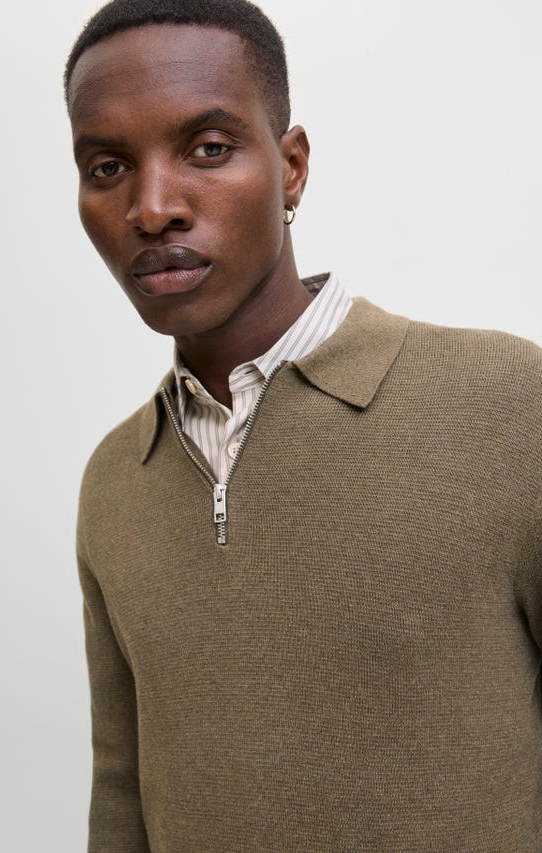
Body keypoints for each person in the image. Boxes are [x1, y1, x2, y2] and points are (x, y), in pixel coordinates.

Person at [64, 1, 542, 850]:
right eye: (108, 166)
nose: (153, 207)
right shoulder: (114, 479)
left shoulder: (507, 403)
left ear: (291, 168)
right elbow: (122, 791)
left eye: (208, 148)